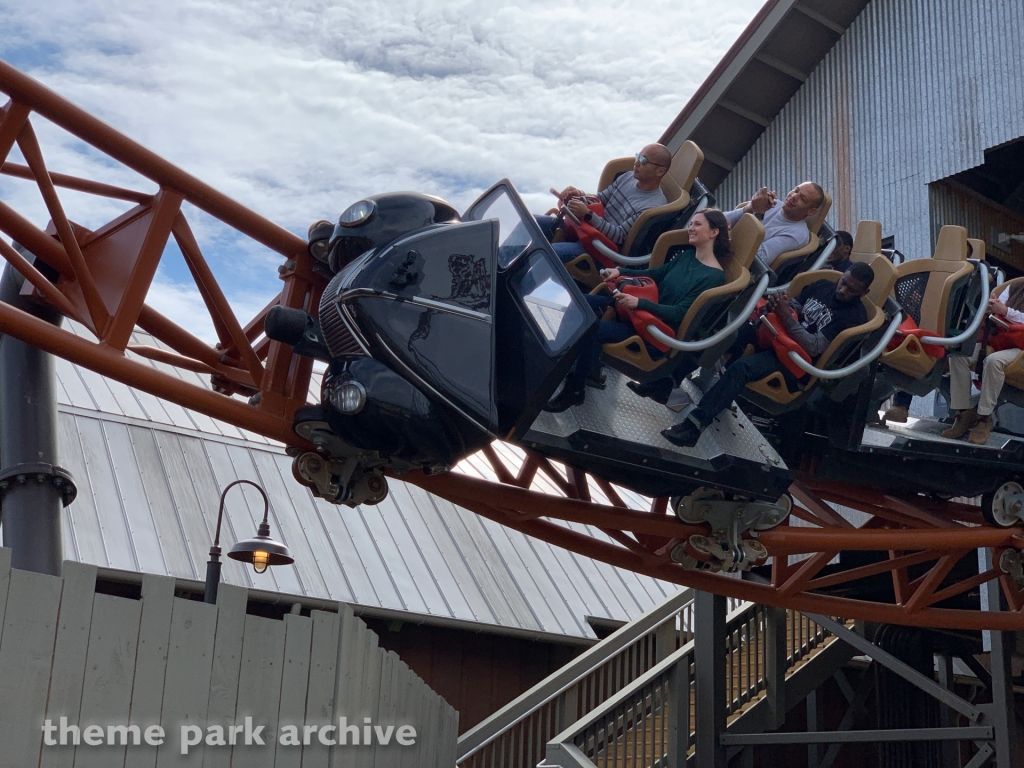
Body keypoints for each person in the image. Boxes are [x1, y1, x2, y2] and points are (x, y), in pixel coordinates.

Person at [661, 262, 875, 447]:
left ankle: (693, 428)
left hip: (794, 362)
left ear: (864, 293)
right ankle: (669, 380)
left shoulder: (853, 317)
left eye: (852, 290)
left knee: (740, 369)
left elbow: (814, 346)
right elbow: (795, 305)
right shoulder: (823, 286)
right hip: (776, 337)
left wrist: (786, 317)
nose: (843, 290)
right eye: (844, 282)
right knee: (728, 333)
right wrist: (778, 305)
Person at [543, 209, 731, 412]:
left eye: (697, 225)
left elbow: (679, 313)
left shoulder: (714, 278)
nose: (690, 228)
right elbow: (654, 274)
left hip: (652, 332)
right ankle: (562, 360)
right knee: (579, 304)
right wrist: (620, 271)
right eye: (691, 223)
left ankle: (575, 390)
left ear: (714, 233)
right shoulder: (686, 256)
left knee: (593, 331)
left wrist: (639, 304)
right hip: (637, 315)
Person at [537, 144, 671, 264]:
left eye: (643, 161)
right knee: (533, 223)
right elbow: (601, 198)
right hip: (583, 230)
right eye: (638, 156)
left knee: (549, 253)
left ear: (660, 171)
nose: (636, 163)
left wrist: (588, 215)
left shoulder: (652, 206)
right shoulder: (627, 176)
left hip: (600, 249)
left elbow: (619, 236)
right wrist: (579, 194)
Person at [941, 283, 1024, 444]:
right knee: (959, 356)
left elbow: (1003, 310)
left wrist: (1006, 312)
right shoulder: (1014, 286)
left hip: (1020, 348)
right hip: (999, 340)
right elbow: (996, 308)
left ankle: (984, 419)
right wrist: (990, 308)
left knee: (993, 361)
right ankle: (963, 414)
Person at [724, 182, 825, 270]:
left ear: (811, 211)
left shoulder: (798, 235)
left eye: (803, 199)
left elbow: (757, 259)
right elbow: (721, 220)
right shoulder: (774, 204)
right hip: (722, 246)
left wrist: (758, 215)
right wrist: (749, 208)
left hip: (730, 263)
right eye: (796, 190)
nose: (794, 196)